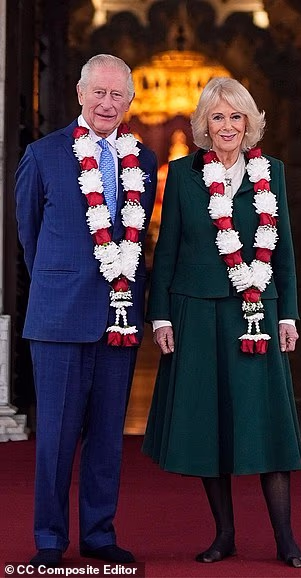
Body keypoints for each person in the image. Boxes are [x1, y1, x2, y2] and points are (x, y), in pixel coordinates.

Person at [141, 77, 301, 568]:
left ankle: (286, 540)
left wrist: (290, 312)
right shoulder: (183, 174)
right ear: (204, 126)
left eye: (236, 116)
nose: (228, 125)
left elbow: (285, 250)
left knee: (267, 426)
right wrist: (160, 316)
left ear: (250, 122)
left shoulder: (270, 172)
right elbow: (165, 248)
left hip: (257, 312)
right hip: (195, 311)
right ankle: (225, 535)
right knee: (208, 426)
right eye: (218, 117)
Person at [14, 53, 158, 568]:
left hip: (118, 318)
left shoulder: (142, 159)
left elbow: (140, 240)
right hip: (58, 320)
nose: (107, 103)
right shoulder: (43, 154)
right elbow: (29, 237)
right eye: (98, 92)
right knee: (54, 438)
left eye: (117, 94)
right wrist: (63, 283)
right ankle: (50, 540)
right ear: (79, 94)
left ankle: (99, 534)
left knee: (106, 438)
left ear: (130, 102)